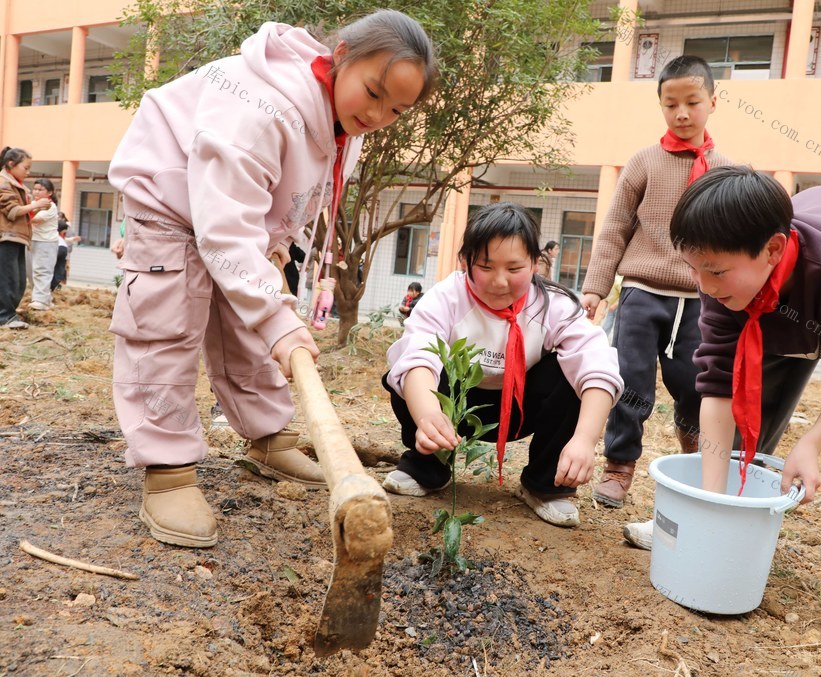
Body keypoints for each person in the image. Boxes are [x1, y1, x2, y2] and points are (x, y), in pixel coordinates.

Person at [107, 11, 438, 548]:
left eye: (396, 110)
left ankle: (267, 438)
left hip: (235, 216)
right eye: (373, 93)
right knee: (166, 327)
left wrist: (279, 242)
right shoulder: (263, 111)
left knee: (250, 329)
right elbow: (223, 228)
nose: (378, 115)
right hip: (170, 202)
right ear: (342, 55)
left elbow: (292, 193)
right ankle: (167, 471)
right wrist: (277, 319)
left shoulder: (343, 121)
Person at [626, 166, 821, 647]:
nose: (703, 285)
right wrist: (711, 508)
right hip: (771, 293)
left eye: (714, 270)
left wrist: (811, 443)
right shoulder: (722, 282)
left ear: (772, 249)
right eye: (693, 268)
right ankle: (727, 513)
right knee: (752, 389)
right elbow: (720, 389)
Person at [381, 202, 623, 527]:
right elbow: (417, 354)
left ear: (535, 263)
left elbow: (598, 366)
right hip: (454, 411)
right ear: (465, 260)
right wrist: (428, 416)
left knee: (569, 374)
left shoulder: (554, 305)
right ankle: (428, 467)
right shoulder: (446, 297)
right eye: (485, 266)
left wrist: (584, 441)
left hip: (521, 410)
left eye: (514, 268)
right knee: (408, 375)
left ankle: (545, 485)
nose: (499, 281)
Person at [579, 56, 732, 508]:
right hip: (642, 294)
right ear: (661, 105)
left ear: (713, 102)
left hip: (701, 300)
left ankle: (696, 461)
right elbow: (615, 227)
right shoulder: (644, 162)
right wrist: (595, 286)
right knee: (631, 382)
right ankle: (618, 466)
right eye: (671, 104)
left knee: (696, 384)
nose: (681, 113)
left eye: (692, 102)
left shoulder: (726, 171)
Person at [0, 147, 51, 329]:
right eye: (26, 168)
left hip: (17, 237)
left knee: (19, 280)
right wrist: (36, 205)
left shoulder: (15, 183)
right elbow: (13, 211)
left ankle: (9, 314)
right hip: (7, 237)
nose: (28, 172)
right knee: (9, 279)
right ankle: (5, 316)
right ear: (11, 164)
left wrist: (35, 207)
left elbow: (22, 214)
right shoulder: (3, 183)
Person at [28, 178, 60, 310]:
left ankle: (41, 301)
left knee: (42, 270)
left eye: (40, 190)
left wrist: (22, 211)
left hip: (46, 242)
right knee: (32, 271)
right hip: (33, 240)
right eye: (35, 189)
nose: (36, 192)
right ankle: (45, 299)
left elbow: (35, 220)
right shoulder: (33, 204)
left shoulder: (50, 206)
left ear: (50, 193)